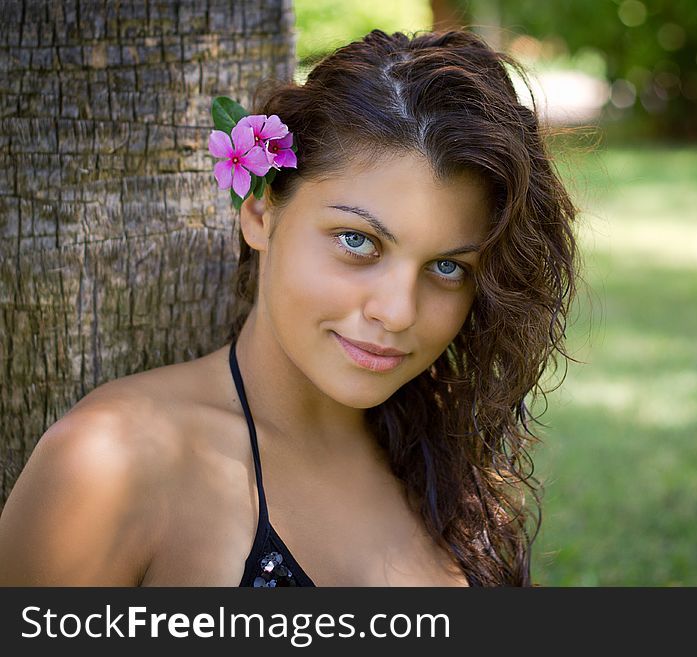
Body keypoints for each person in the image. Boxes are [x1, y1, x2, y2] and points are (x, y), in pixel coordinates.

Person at [0, 28, 580, 586]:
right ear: (261, 212)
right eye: (357, 241)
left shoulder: (443, 460)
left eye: (448, 267)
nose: (399, 312)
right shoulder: (113, 464)